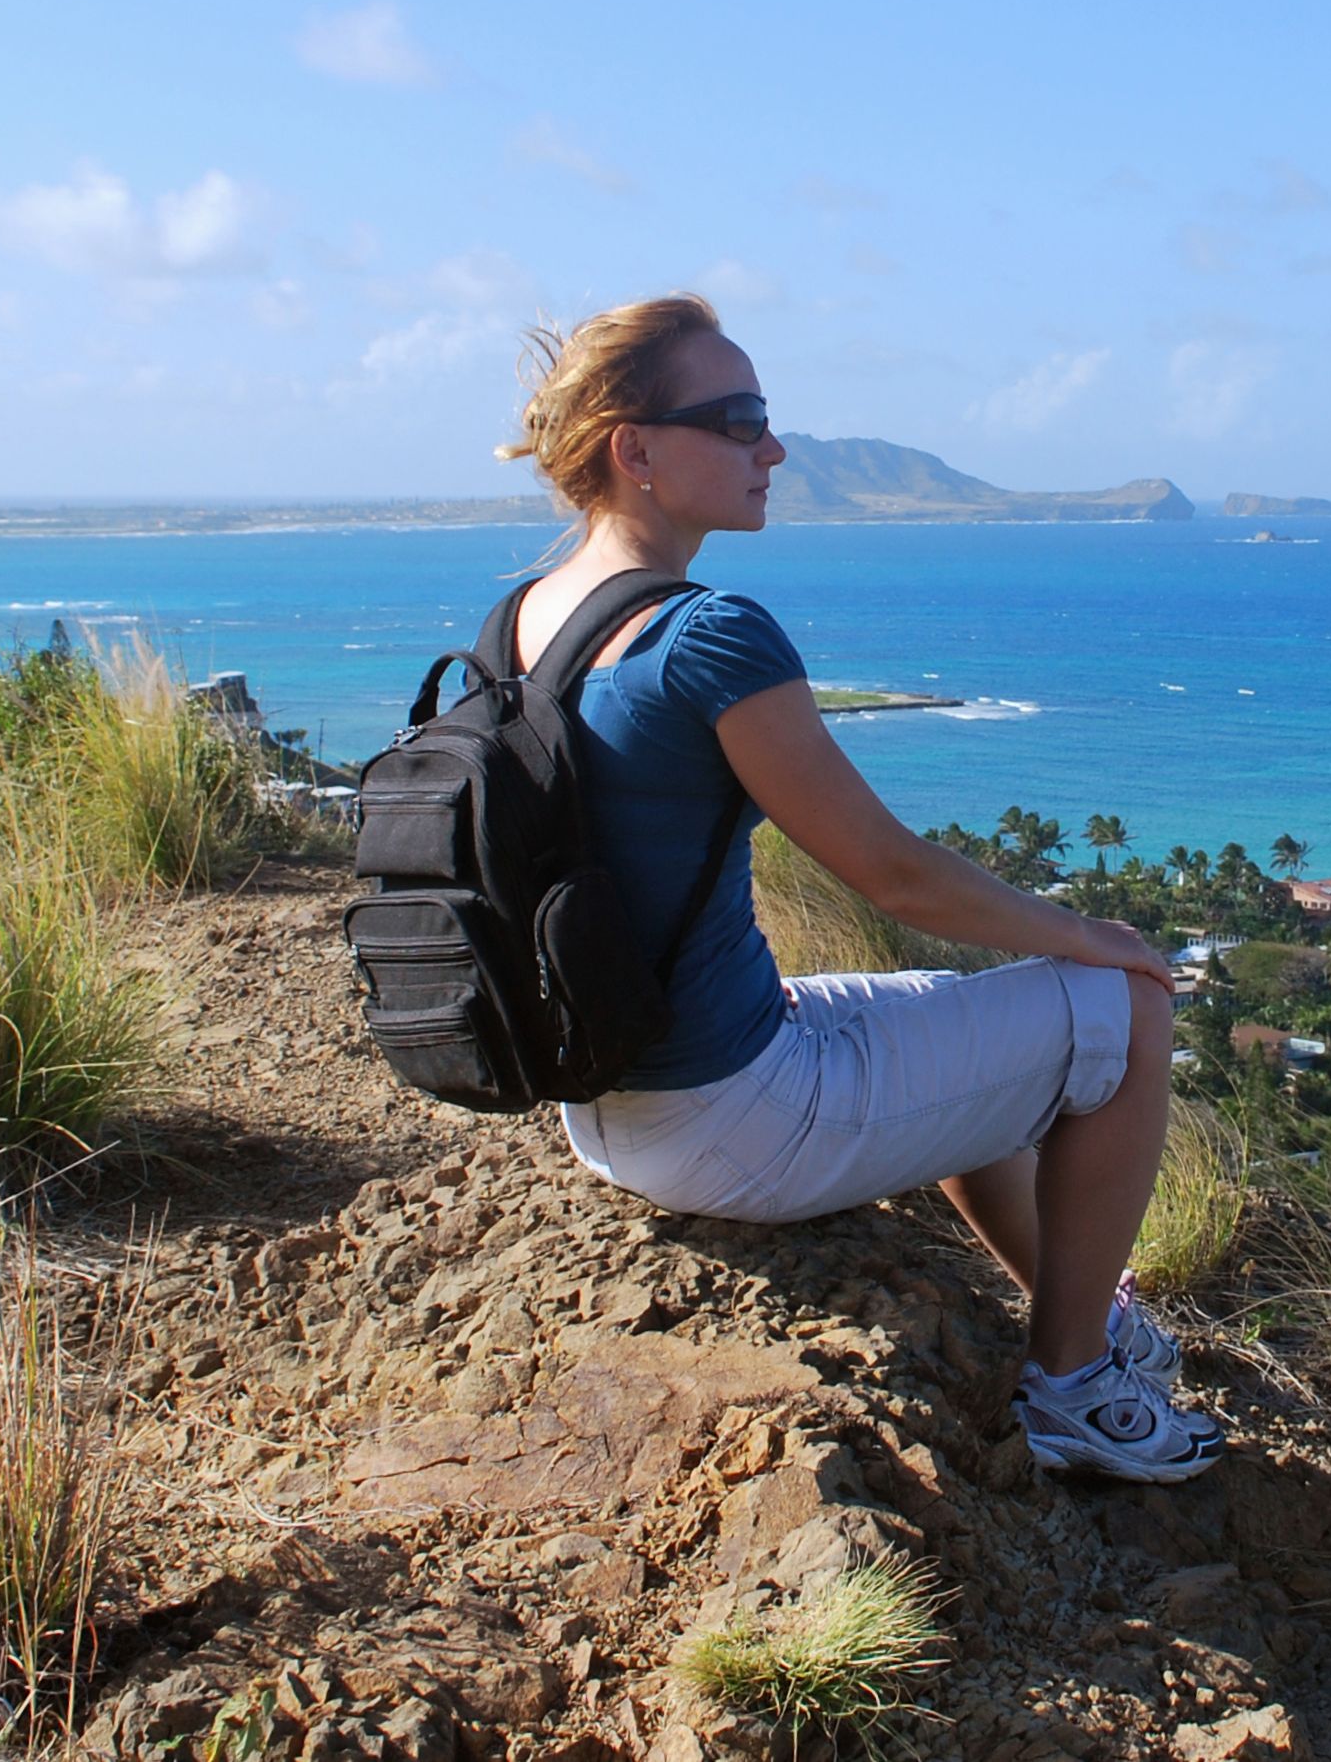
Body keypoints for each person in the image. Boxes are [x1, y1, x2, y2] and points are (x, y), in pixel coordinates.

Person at [492, 293, 1224, 1484]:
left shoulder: (523, 618)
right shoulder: (708, 635)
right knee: (1127, 1009)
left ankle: (1083, 1310)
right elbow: (887, 869)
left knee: (947, 1003)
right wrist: (1088, 934)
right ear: (635, 449)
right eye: (737, 422)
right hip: (735, 1118)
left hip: (607, 1107)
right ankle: (1078, 1383)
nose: (771, 449)